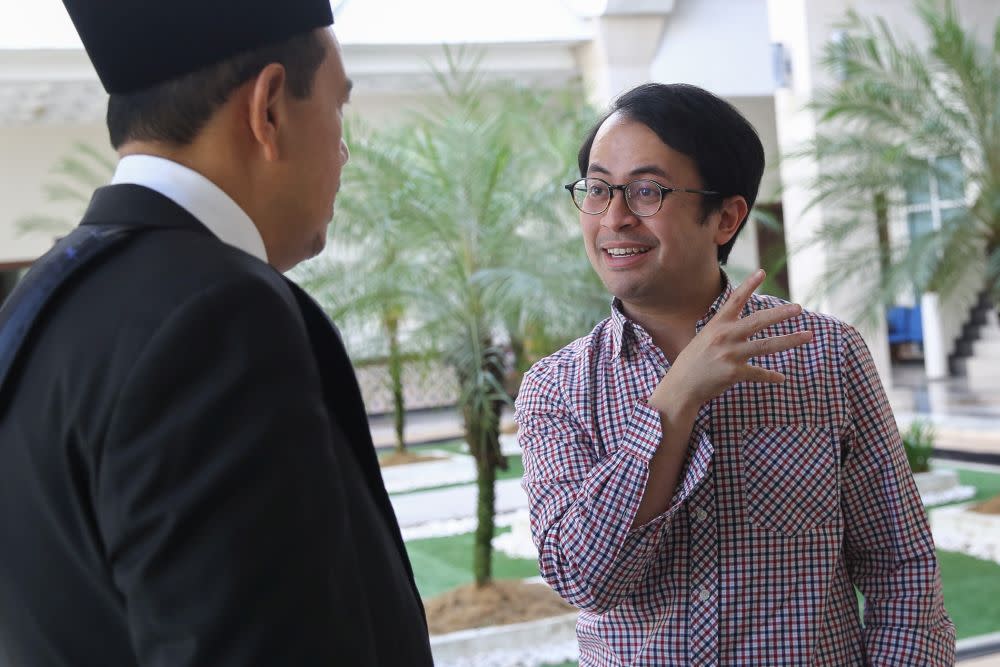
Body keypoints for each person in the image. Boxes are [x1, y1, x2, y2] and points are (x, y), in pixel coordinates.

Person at [0, 2, 434, 665]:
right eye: (337, 107)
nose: (343, 149)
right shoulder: (218, 316)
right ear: (268, 109)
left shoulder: (41, 298)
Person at [515, 83, 955, 666]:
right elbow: (582, 578)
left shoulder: (825, 354)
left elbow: (901, 568)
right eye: (597, 190)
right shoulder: (556, 388)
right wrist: (674, 402)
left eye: (647, 191)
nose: (614, 218)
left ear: (725, 217)